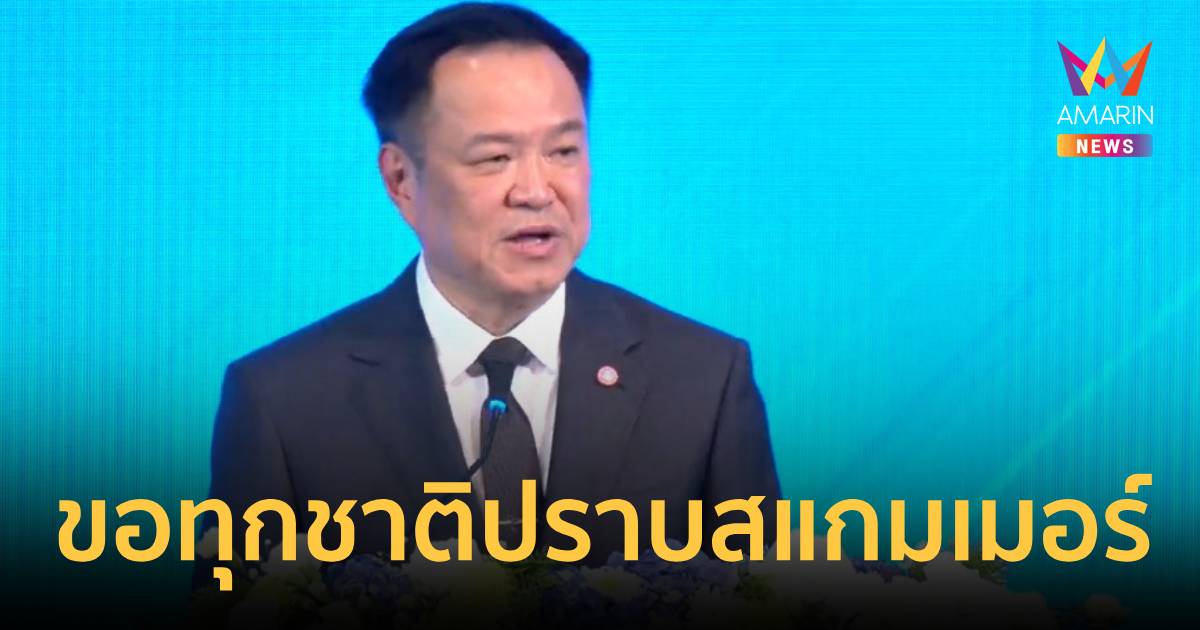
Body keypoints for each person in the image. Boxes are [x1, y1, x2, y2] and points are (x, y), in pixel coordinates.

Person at [206, 2, 779, 565]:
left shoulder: (703, 378)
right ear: (401, 181)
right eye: (495, 157)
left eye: (563, 151)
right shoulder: (284, 401)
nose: (536, 190)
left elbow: (767, 593)